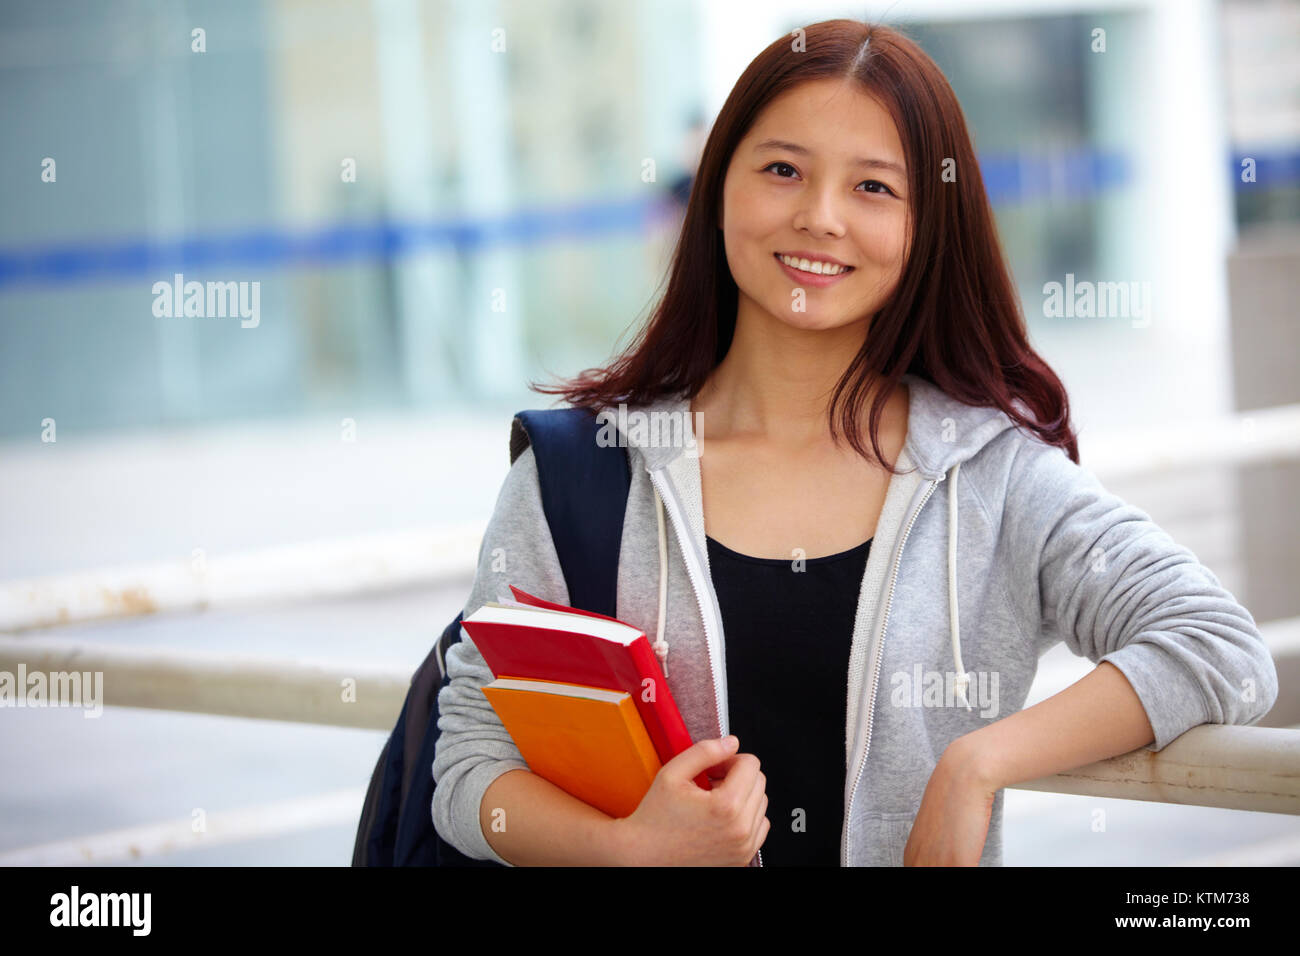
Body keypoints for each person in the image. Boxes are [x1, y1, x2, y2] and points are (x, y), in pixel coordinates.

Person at [431, 19, 1278, 867]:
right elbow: (471, 763)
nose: (819, 217)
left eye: (874, 188)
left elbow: (1220, 649)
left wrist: (977, 764)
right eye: (783, 170)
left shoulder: (992, 479)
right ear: (720, 185)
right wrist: (631, 850)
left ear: (927, 226)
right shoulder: (578, 471)